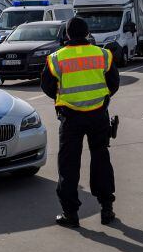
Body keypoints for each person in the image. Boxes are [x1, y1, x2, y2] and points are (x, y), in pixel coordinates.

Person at [40, 16, 120, 229]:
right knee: (101, 159)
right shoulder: (103, 54)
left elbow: (47, 87)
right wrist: (99, 99)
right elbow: (113, 83)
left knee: (68, 165)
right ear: (87, 34)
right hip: (98, 115)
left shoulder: (56, 58)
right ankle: (106, 209)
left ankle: (70, 214)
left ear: (67, 34)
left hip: (70, 117)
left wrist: (65, 99)